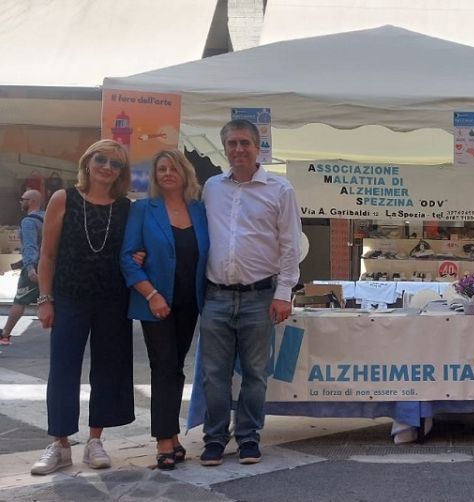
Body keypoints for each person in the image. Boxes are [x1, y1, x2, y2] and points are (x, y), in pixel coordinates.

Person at [198, 119, 301, 466]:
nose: (238, 149)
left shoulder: (280, 189)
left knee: (255, 374)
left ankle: (248, 437)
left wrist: (283, 291)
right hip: (216, 296)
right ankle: (214, 438)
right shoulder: (211, 187)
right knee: (214, 374)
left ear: (258, 148)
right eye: (232, 143)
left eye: (245, 143)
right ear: (224, 148)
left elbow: (289, 244)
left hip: (260, 296)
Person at [30, 140, 134, 475]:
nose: (107, 167)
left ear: (121, 172)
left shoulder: (125, 207)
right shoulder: (64, 198)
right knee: (63, 369)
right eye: (101, 159)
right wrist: (45, 299)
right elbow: (47, 255)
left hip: (112, 299)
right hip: (70, 296)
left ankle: (94, 441)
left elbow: (132, 250)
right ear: (88, 162)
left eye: (115, 163)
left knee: (107, 369)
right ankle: (60, 444)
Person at [120, 150, 209, 470]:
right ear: (155, 176)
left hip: (190, 303)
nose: (167, 173)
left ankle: (172, 435)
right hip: (155, 303)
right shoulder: (143, 209)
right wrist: (152, 295)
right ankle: (163, 440)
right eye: (161, 169)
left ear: (185, 174)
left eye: (173, 168)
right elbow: (129, 258)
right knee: (164, 366)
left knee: (176, 368)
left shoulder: (199, 210)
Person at [1, 190, 45, 345]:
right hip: (50, 265)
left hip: (35, 266)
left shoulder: (28, 222)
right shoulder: (47, 217)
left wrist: (30, 267)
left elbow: (29, 246)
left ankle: (5, 334)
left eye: (22, 199)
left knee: (20, 301)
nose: (20, 202)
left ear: (31, 201)